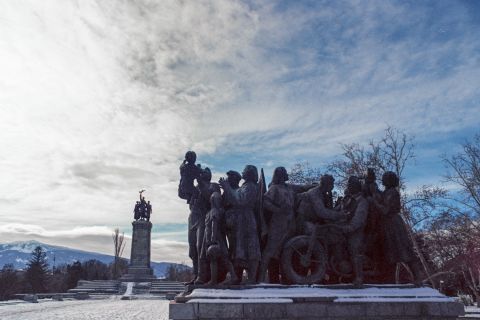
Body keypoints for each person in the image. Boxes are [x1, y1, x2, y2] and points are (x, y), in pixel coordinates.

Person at [258, 167, 313, 283]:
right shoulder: (274, 188)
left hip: (290, 222)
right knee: (270, 250)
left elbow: (303, 188)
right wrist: (277, 209)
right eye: (284, 173)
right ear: (280, 175)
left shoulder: (290, 187)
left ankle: (287, 278)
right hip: (278, 222)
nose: (286, 175)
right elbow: (265, 202)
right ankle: (261, 278)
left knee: (288, 249)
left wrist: (316, 185)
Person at [371, 171, 423, 286]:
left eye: (384, 179)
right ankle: (390, 281)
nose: (382, 180)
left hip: (394, 225)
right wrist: (374, 190)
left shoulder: (392, 193)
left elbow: (385, 210)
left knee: (403, 250)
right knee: (390, 253)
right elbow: (381, 197)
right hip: (387, 225)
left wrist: (375, 201)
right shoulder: (387, 192)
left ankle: (417, 276)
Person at [219, 165, 261, 284]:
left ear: (250, 173)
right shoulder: (246, 186)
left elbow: (239, 201)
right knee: (240, 248)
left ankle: (252, 278)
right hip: (241, 220)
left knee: (250, 248)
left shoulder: (251, 186)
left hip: (246, 219)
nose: (243, 171)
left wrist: (227, 187)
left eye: (245, 170)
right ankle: (238, 277)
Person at [337, 176, 369, 287]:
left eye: (350, 185)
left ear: (356, 187)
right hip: (342, 230)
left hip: (355, 231)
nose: (348, 187)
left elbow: (359, 218)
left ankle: (359, 277)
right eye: (348, 185)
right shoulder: (346, 199)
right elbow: (337, 211)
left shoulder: (362, 201)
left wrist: (350, 227)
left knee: (354, 249)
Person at [201, 191, 239, 285]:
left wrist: (213, 238)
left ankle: (231, 277)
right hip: (217, 238)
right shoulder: (218, 211)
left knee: (219, 258)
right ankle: (216, 279)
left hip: (216, 239)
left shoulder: (214, 212)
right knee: (218, 259)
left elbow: (214, 224)